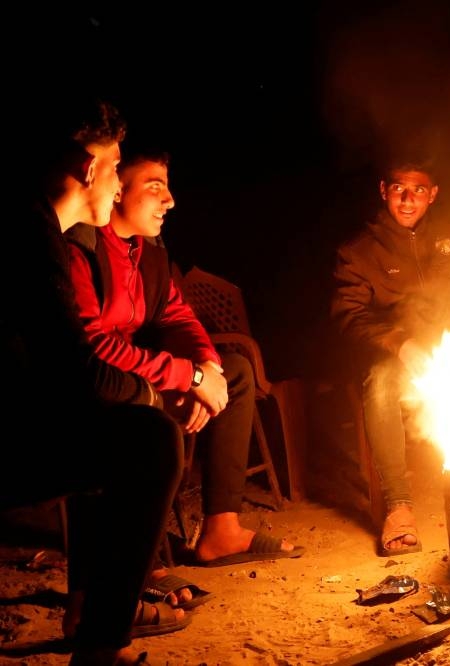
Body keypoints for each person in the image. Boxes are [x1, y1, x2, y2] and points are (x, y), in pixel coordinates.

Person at [3, 95, 186, 665]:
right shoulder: (31, 240)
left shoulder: (39, 231)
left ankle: (93, 615)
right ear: (89, 169)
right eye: (115, 167)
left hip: (24, 418)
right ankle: (101, 645)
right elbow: (79, 371)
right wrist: (155, 392)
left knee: (123, 431)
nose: (115, 182)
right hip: (9, 438)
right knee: (152, 441)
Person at [64, 148, 304, 569]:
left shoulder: (150, 250)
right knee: (146, 420)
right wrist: (189, 377)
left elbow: (176, 314)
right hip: (91, 386)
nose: (170, 200)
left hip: (139, 374)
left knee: (237, 372)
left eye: (168, 187)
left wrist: (208, 366)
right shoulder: (81, 247)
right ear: (118, 190)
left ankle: (221, 530)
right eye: (155, 187)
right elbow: (94, 346)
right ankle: (141, 564)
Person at [331, 154, 450, 557]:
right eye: (398, 188)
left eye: (417, 190)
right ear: (384, 191)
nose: (408, 199)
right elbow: (350, 317)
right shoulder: (359, 252)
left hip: (442, 346)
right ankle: (398, 506)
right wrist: (400, 343)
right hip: (389, 355)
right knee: (380, 384)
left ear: (432, 195)